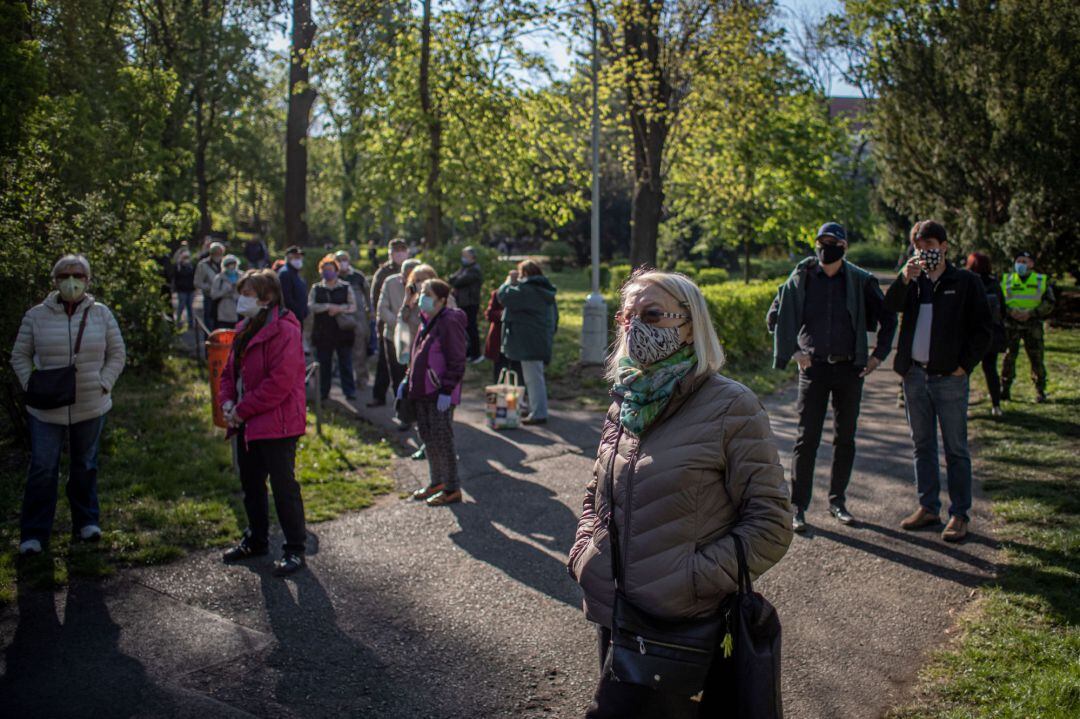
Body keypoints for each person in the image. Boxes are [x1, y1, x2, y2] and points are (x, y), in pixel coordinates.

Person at [567, 270, 793, 717]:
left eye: (651, 314)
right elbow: (598, 491)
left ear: (690, 325)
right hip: (616, 610)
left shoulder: (732, 407)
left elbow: (770, 524)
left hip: (681, 624)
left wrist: (690, 578)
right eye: (626, 316)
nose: (634, 326)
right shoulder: (627, 400)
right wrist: (586, 553)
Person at [766, 222, 897, 532]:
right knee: (806, 438)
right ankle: (799, 506)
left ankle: (838, 501)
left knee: (845, 438)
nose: (826, 247)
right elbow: (775, 317)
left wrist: (879, 356)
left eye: (833, 242)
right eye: (822, 242)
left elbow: (888, 317)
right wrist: (795, 352)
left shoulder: (860, 281)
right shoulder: (801, 278)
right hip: (814, 370)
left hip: (850, 370)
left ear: (844, 247)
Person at [11, 254, 127, 556]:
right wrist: (31, 384)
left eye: (78, 275)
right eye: (64, 275)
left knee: (85, 464)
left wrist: (104, 382)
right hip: (46, 409)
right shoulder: (36, 315)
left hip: (91, 403)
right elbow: (19, 355)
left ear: (88, 280)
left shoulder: (101, 314)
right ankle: (34, 534)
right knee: (42, 468)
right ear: (55, 280)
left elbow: (117, 353)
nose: (71, 281)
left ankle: (87, 521)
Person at [884, 220, 992, 543]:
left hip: (949, 379)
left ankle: (959, 514)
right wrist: (905, 279)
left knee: (956, 448)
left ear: (944, 246)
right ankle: (928, 506)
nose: (925, 251)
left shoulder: (965, 281)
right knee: (922, 444)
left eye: (930, 245)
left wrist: (963, 366)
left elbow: (984, 330)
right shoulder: (914, 282)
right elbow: (888, 307)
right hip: (915, 376)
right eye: (919, 246)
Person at [219, 269, 308, 577]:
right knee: (251, 484)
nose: (241, 300)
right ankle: (256, 540)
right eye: (241, 293)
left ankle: (295, 548)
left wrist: (243, 410)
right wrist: (228, 403)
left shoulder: (285, 331)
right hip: (248, 421)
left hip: (278, 423)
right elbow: (229, 373)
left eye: (247, 294)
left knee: (284, 487)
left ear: (267, 298)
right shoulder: (244, 327)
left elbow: (279, 383)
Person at [400, 279, 467, 506]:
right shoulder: (426, 320)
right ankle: (436, 482)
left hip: (440, 394)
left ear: (441, 300)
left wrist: (447, 389)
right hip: (423, 393)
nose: (422, 298)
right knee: (428, 439)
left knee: (443, 441)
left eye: (427, 294)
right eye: (421, 293)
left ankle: (452, 488)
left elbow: (457, 359)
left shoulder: (449, 321)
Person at [497, 260, 558, 425]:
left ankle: (538, 413)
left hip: (528, 342)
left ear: (524, 274)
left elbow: (503, 296)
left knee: (533, 378)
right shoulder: (544, 289)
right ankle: (535, 409)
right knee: (535, 377)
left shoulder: (527, 290)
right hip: (539, 339)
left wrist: (509, 281)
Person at [1000, 250, 1056, 403]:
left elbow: (1049, 302)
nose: (1021, 265)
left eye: (1024, 261)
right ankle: (1004, 389)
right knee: (1009, 357)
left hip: (1033, 325)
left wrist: (1032, 313)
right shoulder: (1007, 280)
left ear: (1031, 264)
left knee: (1037, 358)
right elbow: (999, 299)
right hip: (1011, 325)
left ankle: (1040, 390)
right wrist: (1010, 311)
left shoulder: (1040, 280)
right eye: (1019, 261)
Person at [308, 255, 359, 401]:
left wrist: (339, 308)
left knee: (345, 362)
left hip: (343, 332)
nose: (327, 272)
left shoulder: (345, 287)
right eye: (325, 270)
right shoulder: (316, 288)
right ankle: (324, 391)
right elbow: (311, 306)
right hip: (323, 332)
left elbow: (353, 306)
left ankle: (349, 391)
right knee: (324, 364)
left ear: (336, 271)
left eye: (330, 270)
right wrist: (327, 307)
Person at [369, 239, 410, 407]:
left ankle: (406, 403)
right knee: (385, 364)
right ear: (390, 253)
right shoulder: (384, 273)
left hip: (410, 327)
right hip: (388, 326)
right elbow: (377, 300)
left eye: (403, 249)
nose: (400, 253)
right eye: (396, 250)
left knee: (403, 365)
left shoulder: (415, 269)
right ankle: (380, 396)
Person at [966, 252, 1007, 416]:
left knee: (966, 371)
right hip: (991, 335)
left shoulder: (967, 282)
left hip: (971, 336)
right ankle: (996, 406)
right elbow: (1002, 310)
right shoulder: (994, 283)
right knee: (991, 370)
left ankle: (964, 406)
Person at [335, 250, 372, 388]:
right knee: (342, 350)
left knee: (360, 349)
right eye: (339, 260)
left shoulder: (358, 276)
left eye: (345, 259)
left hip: (359, 318)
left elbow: (368, 295)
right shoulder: (334, 276)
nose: (342, 262)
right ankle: (344, 379)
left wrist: (371, 312)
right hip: (340, 318)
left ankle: (362, 379)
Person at [449, 246, 484, 363]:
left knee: (472, 329)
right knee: (466, 329)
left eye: (465, 256)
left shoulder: (474, 270)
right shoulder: (465, 268)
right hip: (463, 303)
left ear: (472, 257)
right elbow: (452, 278)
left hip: (471, 303)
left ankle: (476, 354)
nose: (463, 258)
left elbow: (457, 282)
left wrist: (456, 277)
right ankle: (469, 353)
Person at [484, 288, 523, 386]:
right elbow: (489, 314)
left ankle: (517, 397)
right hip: (499, 340)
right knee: (499, 372)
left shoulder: (524, 294)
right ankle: (498, 395)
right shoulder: (498, 293)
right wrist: (504, 314)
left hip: (517, 341)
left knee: (517, 373)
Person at [194, 241, 224, 333]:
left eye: (220, 253)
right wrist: (210, 287)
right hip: (209, 297)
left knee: (220, 323)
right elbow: (197, 282)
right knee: (209, 322)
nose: (218, 255)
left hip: (222, 298)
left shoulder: (224, 264)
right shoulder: (203, 265)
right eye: (216, 253)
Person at [278, 245, 308, 325]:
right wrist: (297, 312)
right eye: (295, 256)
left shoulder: (296, 273)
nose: (298, 259)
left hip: (298, 317)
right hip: (291, 318)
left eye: (300, 257)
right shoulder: (285, 273)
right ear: (288, 257)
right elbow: (286, 298)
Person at [211, 254, 242, 330]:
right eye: (229, 265)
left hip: (239, 310)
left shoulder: (242, 276)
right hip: (223, 311)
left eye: (233, 264)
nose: (231, 267)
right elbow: (213, 295)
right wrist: (225, 291)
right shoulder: (219, 278)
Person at [173, 248, 196, 331]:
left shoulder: (191, 266)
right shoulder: (178, 266)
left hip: (191, 289)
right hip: (181, 290)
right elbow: (176, 277)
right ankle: (178, 323)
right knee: (181, 306)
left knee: (190, 307)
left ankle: (191, 324)